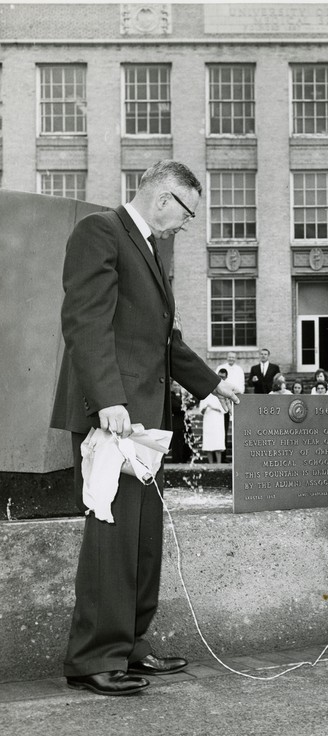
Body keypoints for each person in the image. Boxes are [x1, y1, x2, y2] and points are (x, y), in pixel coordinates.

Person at [50, 159, 240, 696]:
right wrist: (107, 400)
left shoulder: (152, 248)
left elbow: (162, 339)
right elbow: (85, 320)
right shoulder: (100, 232)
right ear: (164, 200)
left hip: (142, 425)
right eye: (187, 213)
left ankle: (129, 646)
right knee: (113, 539)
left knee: (142, 541)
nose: (187, 224)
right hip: (112, 418)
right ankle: (92, 658)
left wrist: (211, 385)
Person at [217, 352, 245, 460]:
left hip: (235, 400)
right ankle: (223, 455)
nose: (231, 359)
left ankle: (238, 456)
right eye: (229, 357)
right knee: (223, 429)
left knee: (237, 428)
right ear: (227, 358)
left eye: (233, 357)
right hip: (223, 400)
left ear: (236, 358)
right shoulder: (221, 368)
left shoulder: (239, 370)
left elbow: (241, 385)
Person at [199, 368, 227, 463]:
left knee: (218, 443)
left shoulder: (222, 394)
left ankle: (218, 464)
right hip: (208, 421)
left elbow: (225, 409)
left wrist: (213, 407)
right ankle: (211, 463)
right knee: (208, 443)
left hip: (218, 421)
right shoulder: (205, 395)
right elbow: (201, 410)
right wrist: (204, 408)